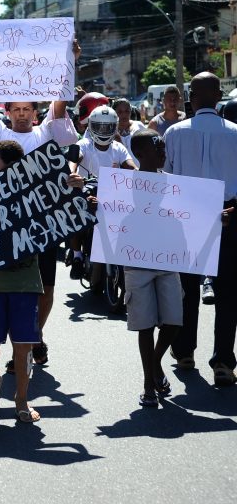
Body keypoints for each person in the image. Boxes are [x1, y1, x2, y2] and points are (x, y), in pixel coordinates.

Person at [0, 141, 82, 423]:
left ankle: (21, 399)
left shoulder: (36, 196)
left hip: (26, 283)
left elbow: (67, 208)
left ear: (13, 169)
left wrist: (74, 186)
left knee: (23, 346)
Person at [0, 40, 81, 368]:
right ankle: (22, 340)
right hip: (8, 222)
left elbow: (59, 104)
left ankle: (34, 333)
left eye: (26, 110)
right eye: (15, 110)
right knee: (12, 288)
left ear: (35, 113)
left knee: (46, 285)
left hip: (44, 221)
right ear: (9, 113)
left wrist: (69, 60)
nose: (21, 114)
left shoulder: (46, 133)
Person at [164, 72, 237, 386]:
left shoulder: (174, 133)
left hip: (186, 218)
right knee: (227, 293)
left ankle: (184, 353)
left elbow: (166, 181)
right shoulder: (236, 133)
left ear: (190, 97)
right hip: (229, 216)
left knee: (187, 290)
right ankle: (223, 362)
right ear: (219, 96)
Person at [122, 130, 184, 407]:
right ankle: (149, 382)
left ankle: (155, 363)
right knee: (145, 325)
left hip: (168, 259)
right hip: (137, 261)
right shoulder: (122, 185)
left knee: (173, 320)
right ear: (140, 153)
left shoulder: (174, 184)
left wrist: (214, 218)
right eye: (156, 146)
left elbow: (193, 215)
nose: (163, 150)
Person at [70, 105, 136, 279]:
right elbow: (75, 159)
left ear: (114, 127)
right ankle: (76, 255)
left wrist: (139, 174)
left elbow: (130, 165)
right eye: (99, 126)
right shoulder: (83, 144)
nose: (104, 130)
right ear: (91, 126)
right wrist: (73, 174)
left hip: (112, 195)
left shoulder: (118, 148)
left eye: (108, 127)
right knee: (79, 214)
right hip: (85, 190)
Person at [113, 98, 145, 163]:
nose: (124, 115)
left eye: (127, 111)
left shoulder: (139, 126)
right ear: (114, 113)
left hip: (138, 170)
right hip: (118, 171)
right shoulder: (110, 130)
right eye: (120, 112)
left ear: (131, 111)